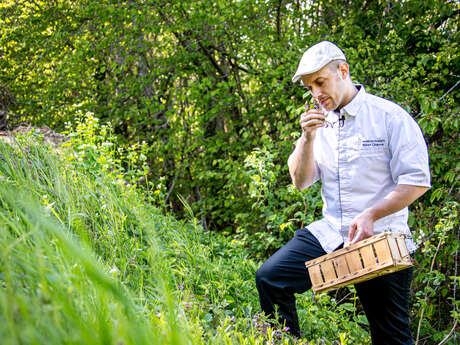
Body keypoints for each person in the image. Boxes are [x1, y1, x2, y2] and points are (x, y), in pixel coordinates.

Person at [255, 41, 431, 344]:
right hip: (332, 233)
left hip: (382, 238)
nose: (316, 94)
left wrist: (372, 214)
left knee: (391, 337)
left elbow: (416, 181)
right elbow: (300, 182)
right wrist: (307, 139)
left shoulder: (389, 117)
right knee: (271, 278)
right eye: (310, 88)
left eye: (320, 82)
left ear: (343, 71)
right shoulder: (318, 125)